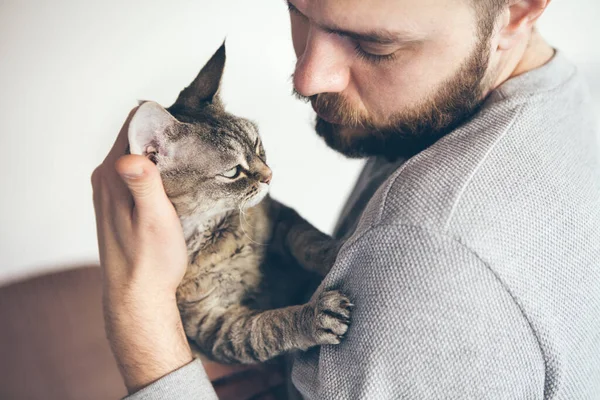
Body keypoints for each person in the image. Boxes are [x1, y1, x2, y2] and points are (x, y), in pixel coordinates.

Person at [91, 0, 600, 398]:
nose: (309, 78)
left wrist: (137, 311)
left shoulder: (428, 253)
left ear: (518, 13)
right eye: (298, 10)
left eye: (376, 45)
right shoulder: (576, 91)